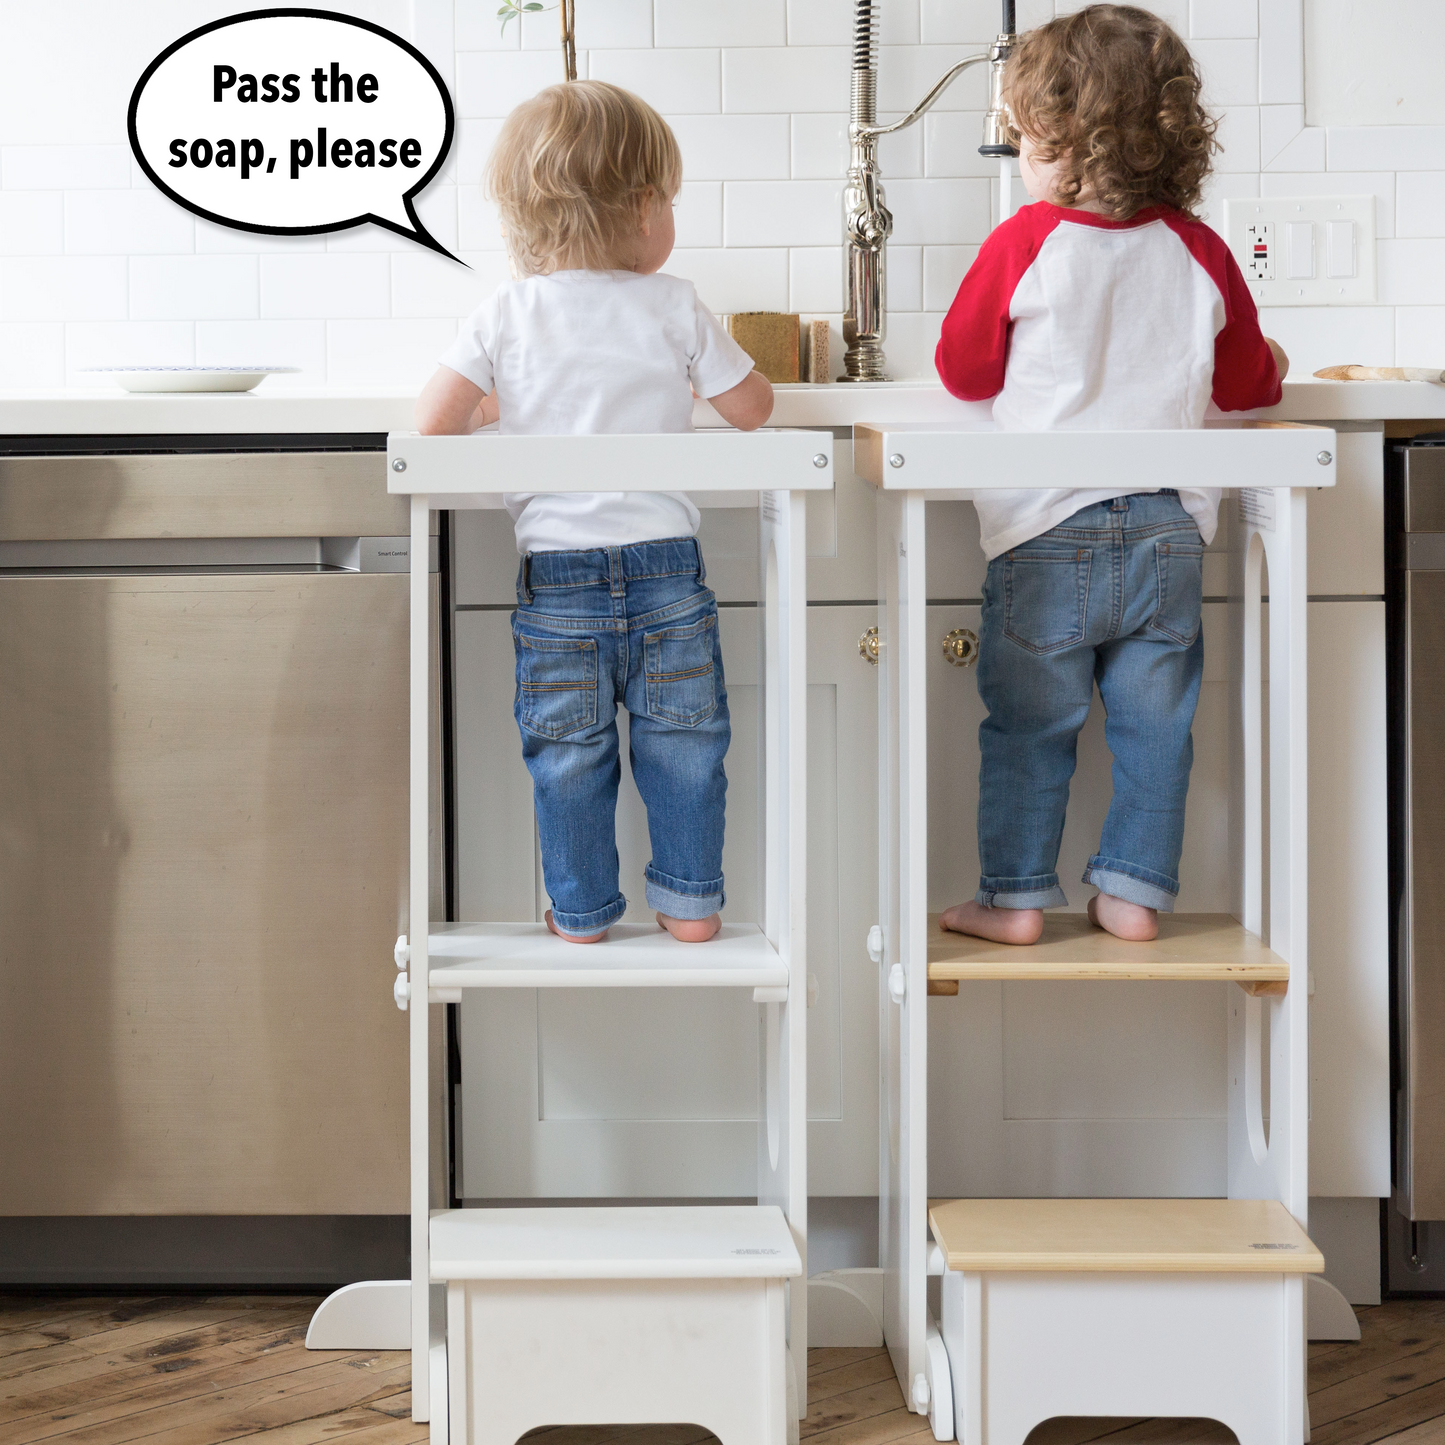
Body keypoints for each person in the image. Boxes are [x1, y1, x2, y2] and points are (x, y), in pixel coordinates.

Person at [934, 4, 1288, 946]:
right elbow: (1251, 386)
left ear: (1066, 142)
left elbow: (961, 371)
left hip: (1044, 533)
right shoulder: (1200, 250)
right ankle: (1132, 892)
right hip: (1166, 533)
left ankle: (1012, 899)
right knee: (1155, 732)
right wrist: (1273, 356)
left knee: (1028, 730)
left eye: (1025, 137)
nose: (1016, 157)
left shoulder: (1024, 241)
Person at [415, 80, 772, 945]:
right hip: (665, 574)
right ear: (644, 208)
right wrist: (689, 380)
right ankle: (691, 906)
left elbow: (432, 427)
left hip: (559, 587)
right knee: (684, 751)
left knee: (569, 761)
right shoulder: (673, 303)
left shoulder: (506, 313)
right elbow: (753, 409)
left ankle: (578, 914)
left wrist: (514, 403)